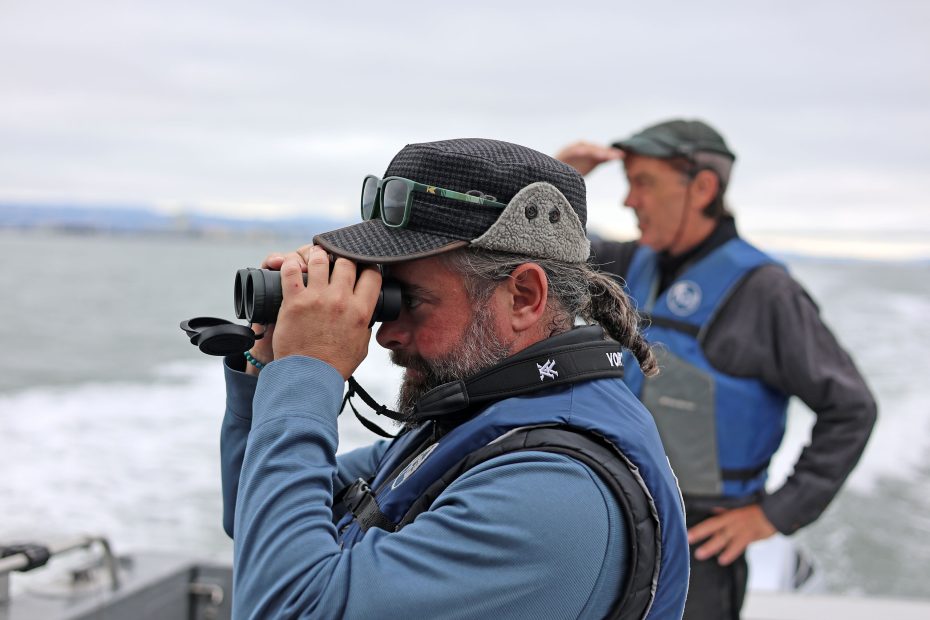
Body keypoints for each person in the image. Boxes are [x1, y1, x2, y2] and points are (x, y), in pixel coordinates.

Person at [219, 138, 691, 619]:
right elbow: (257, 518)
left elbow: (283, 608)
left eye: (411, 300)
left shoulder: (554, 492)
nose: (387, 334)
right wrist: (266, 365)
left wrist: (308, 370)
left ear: (524, 297)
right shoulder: (482, 422)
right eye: (386, 297)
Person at [556, 120, 878, 619]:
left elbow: (851, 408)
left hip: (698, 544)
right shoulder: (625, 264)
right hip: (609, 518)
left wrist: (773, 514)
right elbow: (542, 258)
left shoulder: (765, 292)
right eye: (628, 184)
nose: (629, 201)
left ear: (702, 187)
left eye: (644, 183)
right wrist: (560, 181)